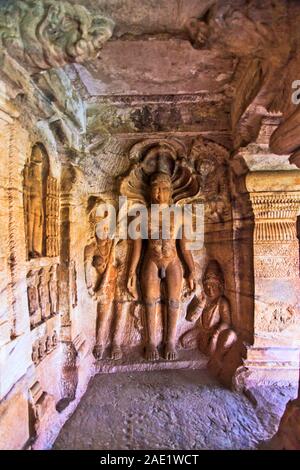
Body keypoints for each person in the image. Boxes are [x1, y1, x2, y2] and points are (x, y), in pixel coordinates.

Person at [127, 171, 195, 361]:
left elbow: (185, 247)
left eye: (164, 188)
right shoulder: (142, 216)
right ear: (149, 192)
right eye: (155, 188)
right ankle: (150, 342)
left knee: (174, 301)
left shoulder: (180, 216)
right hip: (151, 259)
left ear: (171, 191)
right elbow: (137, 248)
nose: (159, 193)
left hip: (172, 260)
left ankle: (170, 341)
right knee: (150, 301)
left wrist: (191, 271)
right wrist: (131, 273)